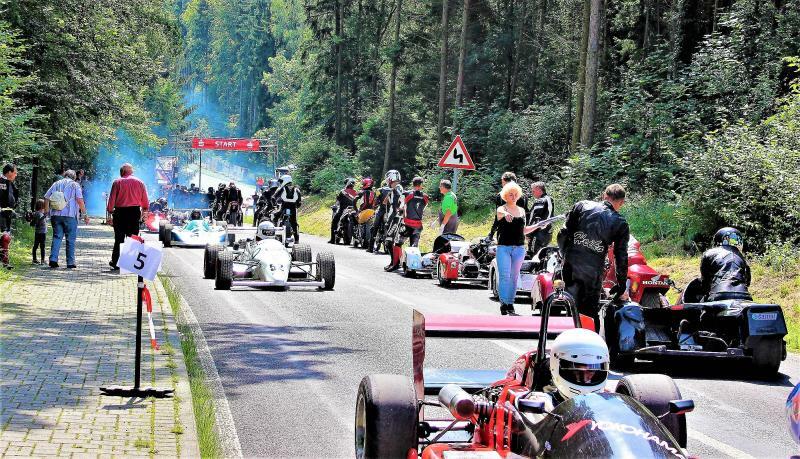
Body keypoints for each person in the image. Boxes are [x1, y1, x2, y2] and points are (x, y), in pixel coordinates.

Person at [559, 184, 630, 330]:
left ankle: (568, 343)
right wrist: (621, 282)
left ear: (604, 195)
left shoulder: (582, 205)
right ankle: (590, 347)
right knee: (590, 313)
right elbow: (620, 255)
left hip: (571, 265)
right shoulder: (620, 222)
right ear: (621, 202)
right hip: (593, 271)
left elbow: (563, 232)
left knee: (571, 308)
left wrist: (564, 255)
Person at [493, 182, 543, 315]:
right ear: (505, 195)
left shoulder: (521, 210)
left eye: (515, 194)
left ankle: (510, 302)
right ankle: (503, 303)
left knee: (515, 277)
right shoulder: (501, 209)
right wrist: (506, 214)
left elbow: (524, 230)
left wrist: (538, 225)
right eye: (510, 194)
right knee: (505, 276)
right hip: (504, 247)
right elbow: (501, 212)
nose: (513, 196)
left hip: (519, 248)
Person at [106, 163, 149, 271]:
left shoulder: (117, 182)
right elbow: (145, 201)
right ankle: (130, 264)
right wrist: (144, 211)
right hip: (134, 212)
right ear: (131, 172)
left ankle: (115, 262)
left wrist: (110, 212)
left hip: (120, 213)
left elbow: (112, 200)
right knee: (133, 238)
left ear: (122, 172)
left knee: (119, 239)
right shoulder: (140, 182)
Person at [43, 170, 89, 269]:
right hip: (70, 216)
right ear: (74, 177)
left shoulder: (56, 183)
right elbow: (80, 200)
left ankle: (53, 259)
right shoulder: (75, 185)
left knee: (57, 237)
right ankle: (70, 262)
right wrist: (85, 214)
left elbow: (46, 197)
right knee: (70, 239)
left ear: (65, 175)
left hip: (55, 215)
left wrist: (46, 211)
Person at [548, 328, 610, 401]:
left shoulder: (608, 400)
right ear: (555, 366)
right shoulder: (544, 402)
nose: (585, 378)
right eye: (577, 370)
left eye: (591, 370)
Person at [699, 227, 752, 302]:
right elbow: (747, 281)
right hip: (743, 295)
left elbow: (705, 282)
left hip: (720, 294)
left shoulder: (709, 253)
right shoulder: (742, 258)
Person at [487, 171, 528, 241]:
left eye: (502, 182)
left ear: (506, 182)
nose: (502, 185)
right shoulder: (523, 196)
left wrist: (491, 234)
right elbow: (526, 215)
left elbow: (498, 216)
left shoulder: (501, 196)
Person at [382, 170, 405, 270]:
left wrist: (400, 209)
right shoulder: (394, 189)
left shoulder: (398, 188)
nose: (387, 181)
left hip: (396, 219)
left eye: (388, 178)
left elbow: (403, 199)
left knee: (389, 241)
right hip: (393, 218)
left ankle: (394, 264)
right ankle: (395, 262)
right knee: (391, 241)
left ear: (391, 178)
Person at [527, 181, 554, 255]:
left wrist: (528, 233)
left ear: (539, 189)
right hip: (548, 233)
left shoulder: (540, 201)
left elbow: (535, 218)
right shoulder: (549, 199)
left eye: (533, 191)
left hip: (538, 234)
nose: (532, 193)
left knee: (532, 255)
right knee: (543, 256)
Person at [329, 178, 358, 244]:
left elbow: (338, 201)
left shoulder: (342, 191)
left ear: (346, 184)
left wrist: (334, 206)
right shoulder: (356, 192)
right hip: (353, 210)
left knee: (334, 222)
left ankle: (332, 240)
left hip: (342, 210)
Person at [276, 175, 302, 241]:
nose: (281, 183)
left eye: (281, 181)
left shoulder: (282, 189)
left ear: (285, 180)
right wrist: (296, 206)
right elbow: (299, 202)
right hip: (293, 208)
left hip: (284, 207)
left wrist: (274, 203)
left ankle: (276, 234)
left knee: (275, 217)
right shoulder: (297, 189)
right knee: (294, 223)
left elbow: (274, 197)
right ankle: (296, 240)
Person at [369, 181, 392, 253]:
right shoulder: (394, 189)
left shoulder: (379, 190)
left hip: (382, 210)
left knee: (374, 227)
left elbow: (376, 200)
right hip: (391, 211)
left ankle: (370, 247)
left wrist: (374, 206)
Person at [0, 164, 19, 233]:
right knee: (4, 238)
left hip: (8, 217)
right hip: (2, 217)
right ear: (9, 172)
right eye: (15, 173)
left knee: (6, 238)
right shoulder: (1, 182)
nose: (16, 175)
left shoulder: (11, 184)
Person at [30, 199, 47, 264]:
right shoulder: (39, 214)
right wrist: (43, 217)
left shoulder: (38, 213)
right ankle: (42, 260)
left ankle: (35, 259)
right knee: (42, 246)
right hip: (41, 233)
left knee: (36, 246)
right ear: (42, 206)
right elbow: (37, 222)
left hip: (38, 232)